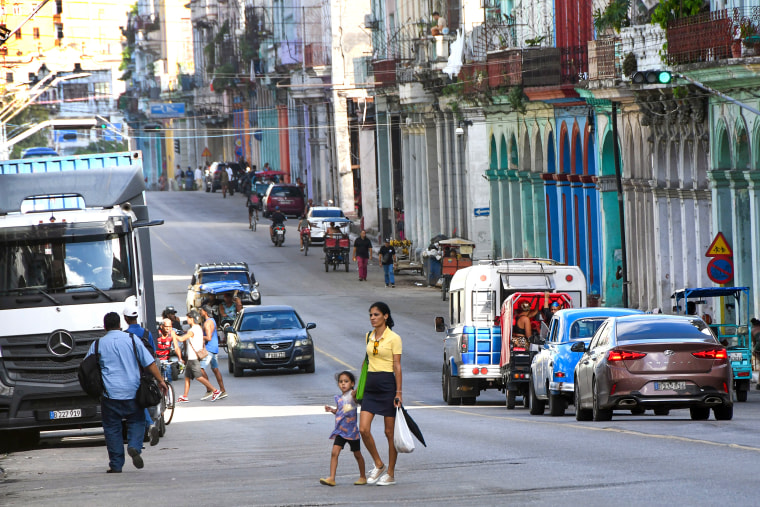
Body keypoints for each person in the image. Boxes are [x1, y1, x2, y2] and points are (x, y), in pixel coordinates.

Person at [86, 312, 167, 473]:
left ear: (104, 327)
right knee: (136, 421)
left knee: (112, 428)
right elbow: (149, 362)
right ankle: (134, 446)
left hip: (110, 394)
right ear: (120, 325)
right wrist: (160, 380)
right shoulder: (132, 339)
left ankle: (116, 465)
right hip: (133, 391)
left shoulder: (97, 344)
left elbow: (86, 367)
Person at [359, 302, 402, 486]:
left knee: (389, 432)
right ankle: (378, 463)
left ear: (385, 316)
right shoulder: (368, 336)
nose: (372, 318)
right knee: (363, 429)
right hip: (370, 386)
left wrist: (398, 392)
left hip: (387, 386)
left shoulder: (394, 338)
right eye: (370, 315)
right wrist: (357, 388)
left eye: (376, 314)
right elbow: (366, 361)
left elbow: (397, 366)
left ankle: (390, 473)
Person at [122, 297, 159, 446]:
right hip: (147, 372)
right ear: (136, 317)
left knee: (136, 403)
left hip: (131, 374)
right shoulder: (146, 333)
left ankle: (146, 427)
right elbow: (153, 354)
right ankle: (149, 425)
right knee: (141, 402)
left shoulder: (125, 335)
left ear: (125, 318)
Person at [320, 371, 367, 487]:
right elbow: (340, 411)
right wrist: (332, 410)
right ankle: (331, 478)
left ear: (352, 384)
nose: (343, 384)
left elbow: (357, 397)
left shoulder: (352, 395)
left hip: (352, 432)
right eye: (341, 382)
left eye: (346, 381)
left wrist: (357, 390)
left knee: (357, 454)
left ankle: (363, 476)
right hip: (340, 431)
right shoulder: (340, 398)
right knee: (334, 453)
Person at [174, 310, 219, 403]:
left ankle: (215, 391)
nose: (187, 320)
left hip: (193, 358)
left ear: (192, 319)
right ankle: (185, 396)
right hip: (194, 356)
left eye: (188, 318)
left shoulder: (192, 330)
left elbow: (182, 338)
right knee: (187, 377)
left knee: (198, 377)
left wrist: (174, 335)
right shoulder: (198, 328)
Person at [199, 305, 228, 401]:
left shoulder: (207, 323)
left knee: (200, 369)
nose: (200, 312)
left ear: (205, 312)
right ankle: (223, 390)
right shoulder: (213, 320)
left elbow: (208, 337)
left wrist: (198, 335)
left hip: (209, 348)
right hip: (214, 348)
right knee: (215, 369)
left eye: (201, 310)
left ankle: (210, 389)